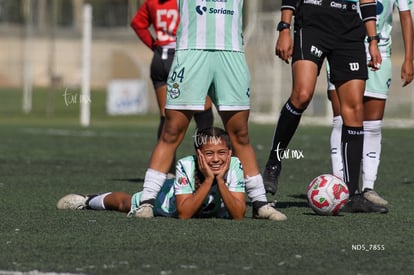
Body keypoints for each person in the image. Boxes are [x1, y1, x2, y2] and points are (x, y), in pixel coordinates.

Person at [133, 0, 287, 221]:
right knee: (172, 131)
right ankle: (146, 201)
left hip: (231, 53)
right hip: (191, 52)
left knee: (240, 134)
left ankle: (260, 203)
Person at [262, 0, 388, 213]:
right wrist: (284, 26)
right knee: (302, 95)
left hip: (349, 25)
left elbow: (366, 1)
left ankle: (351, 194)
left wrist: (373, 39)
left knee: (354, 110)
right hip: (312, 18)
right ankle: (274, 161)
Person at [327, 0, 413, 207]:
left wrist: (409, 58)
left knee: (372, 126)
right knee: (341, 120)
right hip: (342, 48)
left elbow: (405, 14)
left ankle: (368, 187)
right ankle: (342, 186)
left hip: (380, 53)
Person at [56, 127, 246, 220]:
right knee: (125, 203)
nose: (215, 159)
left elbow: (238, 214)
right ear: (198, 154)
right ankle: (88, 200)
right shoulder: (186, 165)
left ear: (229, 153)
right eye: (209, 153)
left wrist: (220, 180)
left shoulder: (235, 165)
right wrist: (207, 182)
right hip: (166, 202)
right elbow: (185, 213)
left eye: (221, 153)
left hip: (204, 203)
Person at [130, 0, 213, 175]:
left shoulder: (152, 2)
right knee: (203, 110)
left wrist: (154, 45)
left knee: (166, 115)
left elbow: (137, 24)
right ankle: (205, 167)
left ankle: (167, 172)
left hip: (161, 58)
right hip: (183, 57)